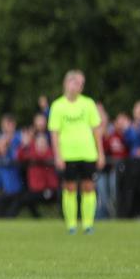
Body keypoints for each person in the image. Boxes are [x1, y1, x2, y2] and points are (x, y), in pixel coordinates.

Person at [48, 70, 105, 234]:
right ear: (66, 84)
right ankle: (71, 225)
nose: (77, 87)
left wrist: (100, 153)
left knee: (88, 187)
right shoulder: (58, 106)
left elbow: (96, 130)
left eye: (80, 84)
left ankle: (88, 224)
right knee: (70, 188)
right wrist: (57, 155)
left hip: (87, 153)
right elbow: (54, 133)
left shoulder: (88, 104)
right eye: (74, 83)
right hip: (68, 154)